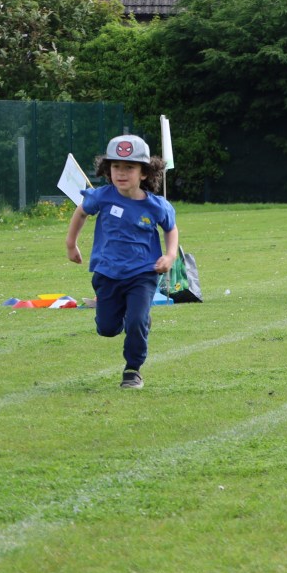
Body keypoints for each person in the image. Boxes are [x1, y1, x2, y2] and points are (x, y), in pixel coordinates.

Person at [66, 135, 179, 389]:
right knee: (107, 328)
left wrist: (170, 255)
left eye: (129, 167)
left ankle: (132, 369)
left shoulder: (156, 206)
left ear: (144, 173)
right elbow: (81, 212)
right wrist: (71, 244)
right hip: (107, 273)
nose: (121, 173)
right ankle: (131, 319)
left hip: (143, 274)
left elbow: (171, 229)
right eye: (116, 166)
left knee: (136, 320)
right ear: (108, 170)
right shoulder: (102, 197)